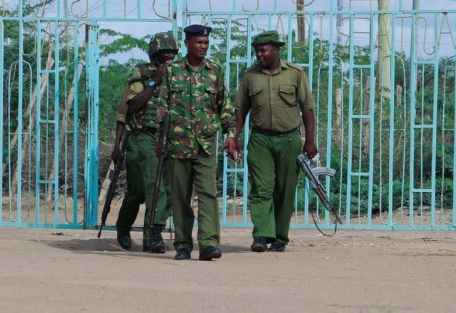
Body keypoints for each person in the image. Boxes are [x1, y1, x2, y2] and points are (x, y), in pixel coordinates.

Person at [155, 24, 237, 261]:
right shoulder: (172, 71)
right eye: (199, 43)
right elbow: (163, 107)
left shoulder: (215, 71)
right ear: (188, 44)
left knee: (207, 194)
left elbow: (225, 106)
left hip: (206, 144)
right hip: (177, 144)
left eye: (206, 43)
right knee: (180, 197)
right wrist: (160, 139)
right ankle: (182, 244)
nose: (203, 47)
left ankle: (209, 243)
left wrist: (230, 135)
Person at [232, 30, 318, 253]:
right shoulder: (250, 76)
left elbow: (307, 108)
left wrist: (310, 140)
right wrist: (234, 137)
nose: (259, 55)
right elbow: (240, 109)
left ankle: (280, 238)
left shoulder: (296, 74)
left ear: (276, 50)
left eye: (263, 50)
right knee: (261, 188)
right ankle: (261, 235)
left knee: (284, 189)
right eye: (257, 51)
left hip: (289, 139)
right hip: (260, 140)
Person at [110, 32, 178, 253]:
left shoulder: (179, 75)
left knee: (162, 188)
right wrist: (155, 81)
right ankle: (124, 227)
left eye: (172, 52)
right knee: (140, 191)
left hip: (168, 138)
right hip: (142, 137)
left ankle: (152, 236)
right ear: (154, 54)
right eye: (164, 52)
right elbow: (131, 108)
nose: (169, 56)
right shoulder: (141, 74)